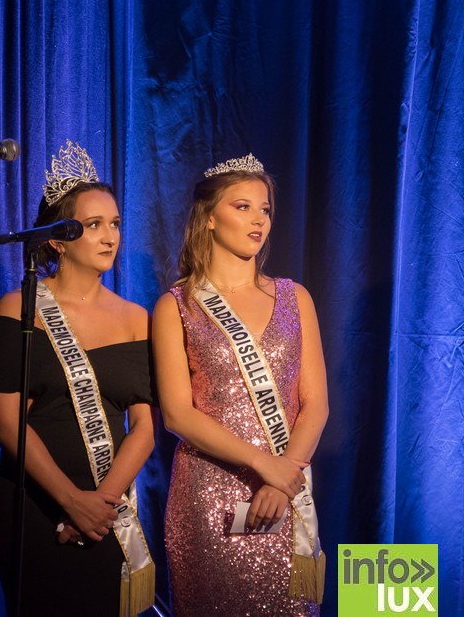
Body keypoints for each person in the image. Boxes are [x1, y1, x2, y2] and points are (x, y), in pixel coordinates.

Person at [0, 140, 155, 616]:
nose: (110, 236)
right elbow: (5, 422)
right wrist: (69, 502)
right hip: (39, 509)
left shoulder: (136, 318)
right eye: (93, 224)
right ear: (57, 238)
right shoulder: (18, 308)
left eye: (116, 224)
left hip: (108, 512)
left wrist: (97, 505)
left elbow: (144, 426)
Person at [154, 153, 329, 616]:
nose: (258, 219)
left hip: (285, 490)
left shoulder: (296, 297)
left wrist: (284, 476)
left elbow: (316, 405)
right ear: (209, 218)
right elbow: (177, 414)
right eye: (242, 207)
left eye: (265, 209)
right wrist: (264, 465)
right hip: (208, 495)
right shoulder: (177, 306)